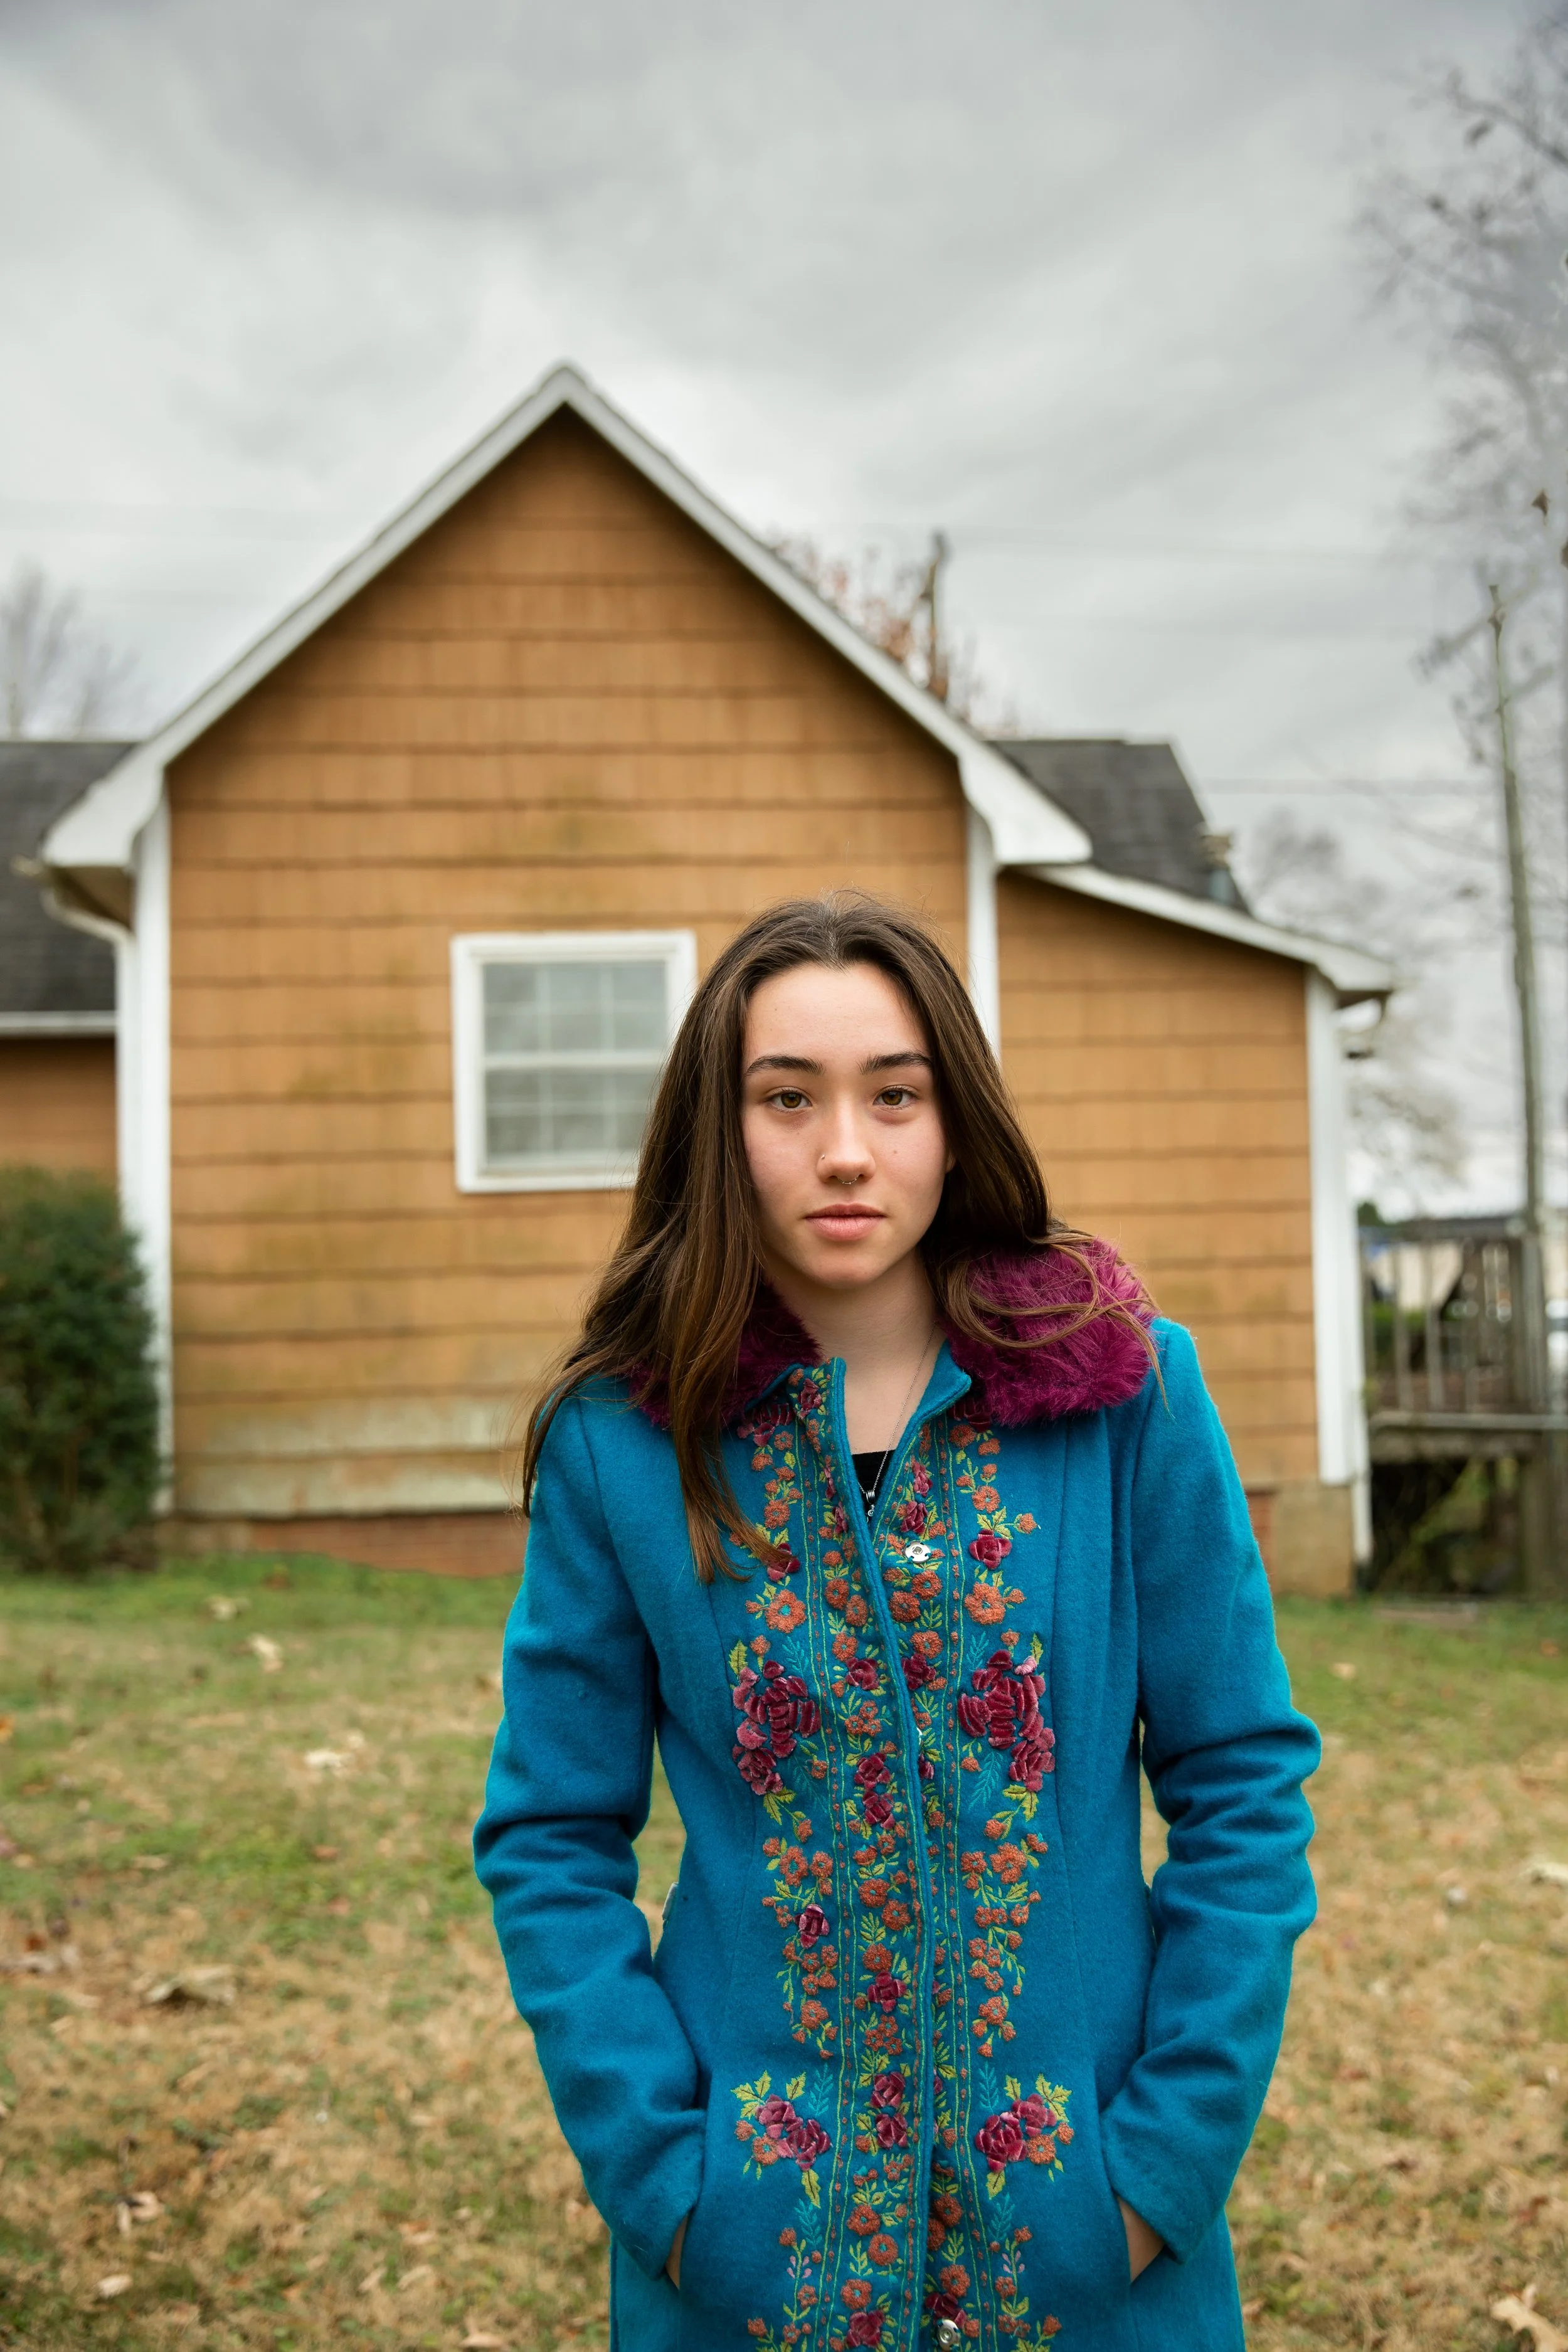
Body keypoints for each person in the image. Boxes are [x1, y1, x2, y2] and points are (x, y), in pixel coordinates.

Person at [475, 893, 1319, 2352]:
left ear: (954, 1119)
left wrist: (1159, 2167)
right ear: (714, 1129)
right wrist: (672, 2187)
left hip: (1091, 2253)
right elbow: (549, 1838)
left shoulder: (1122, 1393)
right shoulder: (625, 1442)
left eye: (895, 1094)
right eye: (784, 1098)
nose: (845, 1150)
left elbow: (1241, 1784)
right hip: (749, 2266)